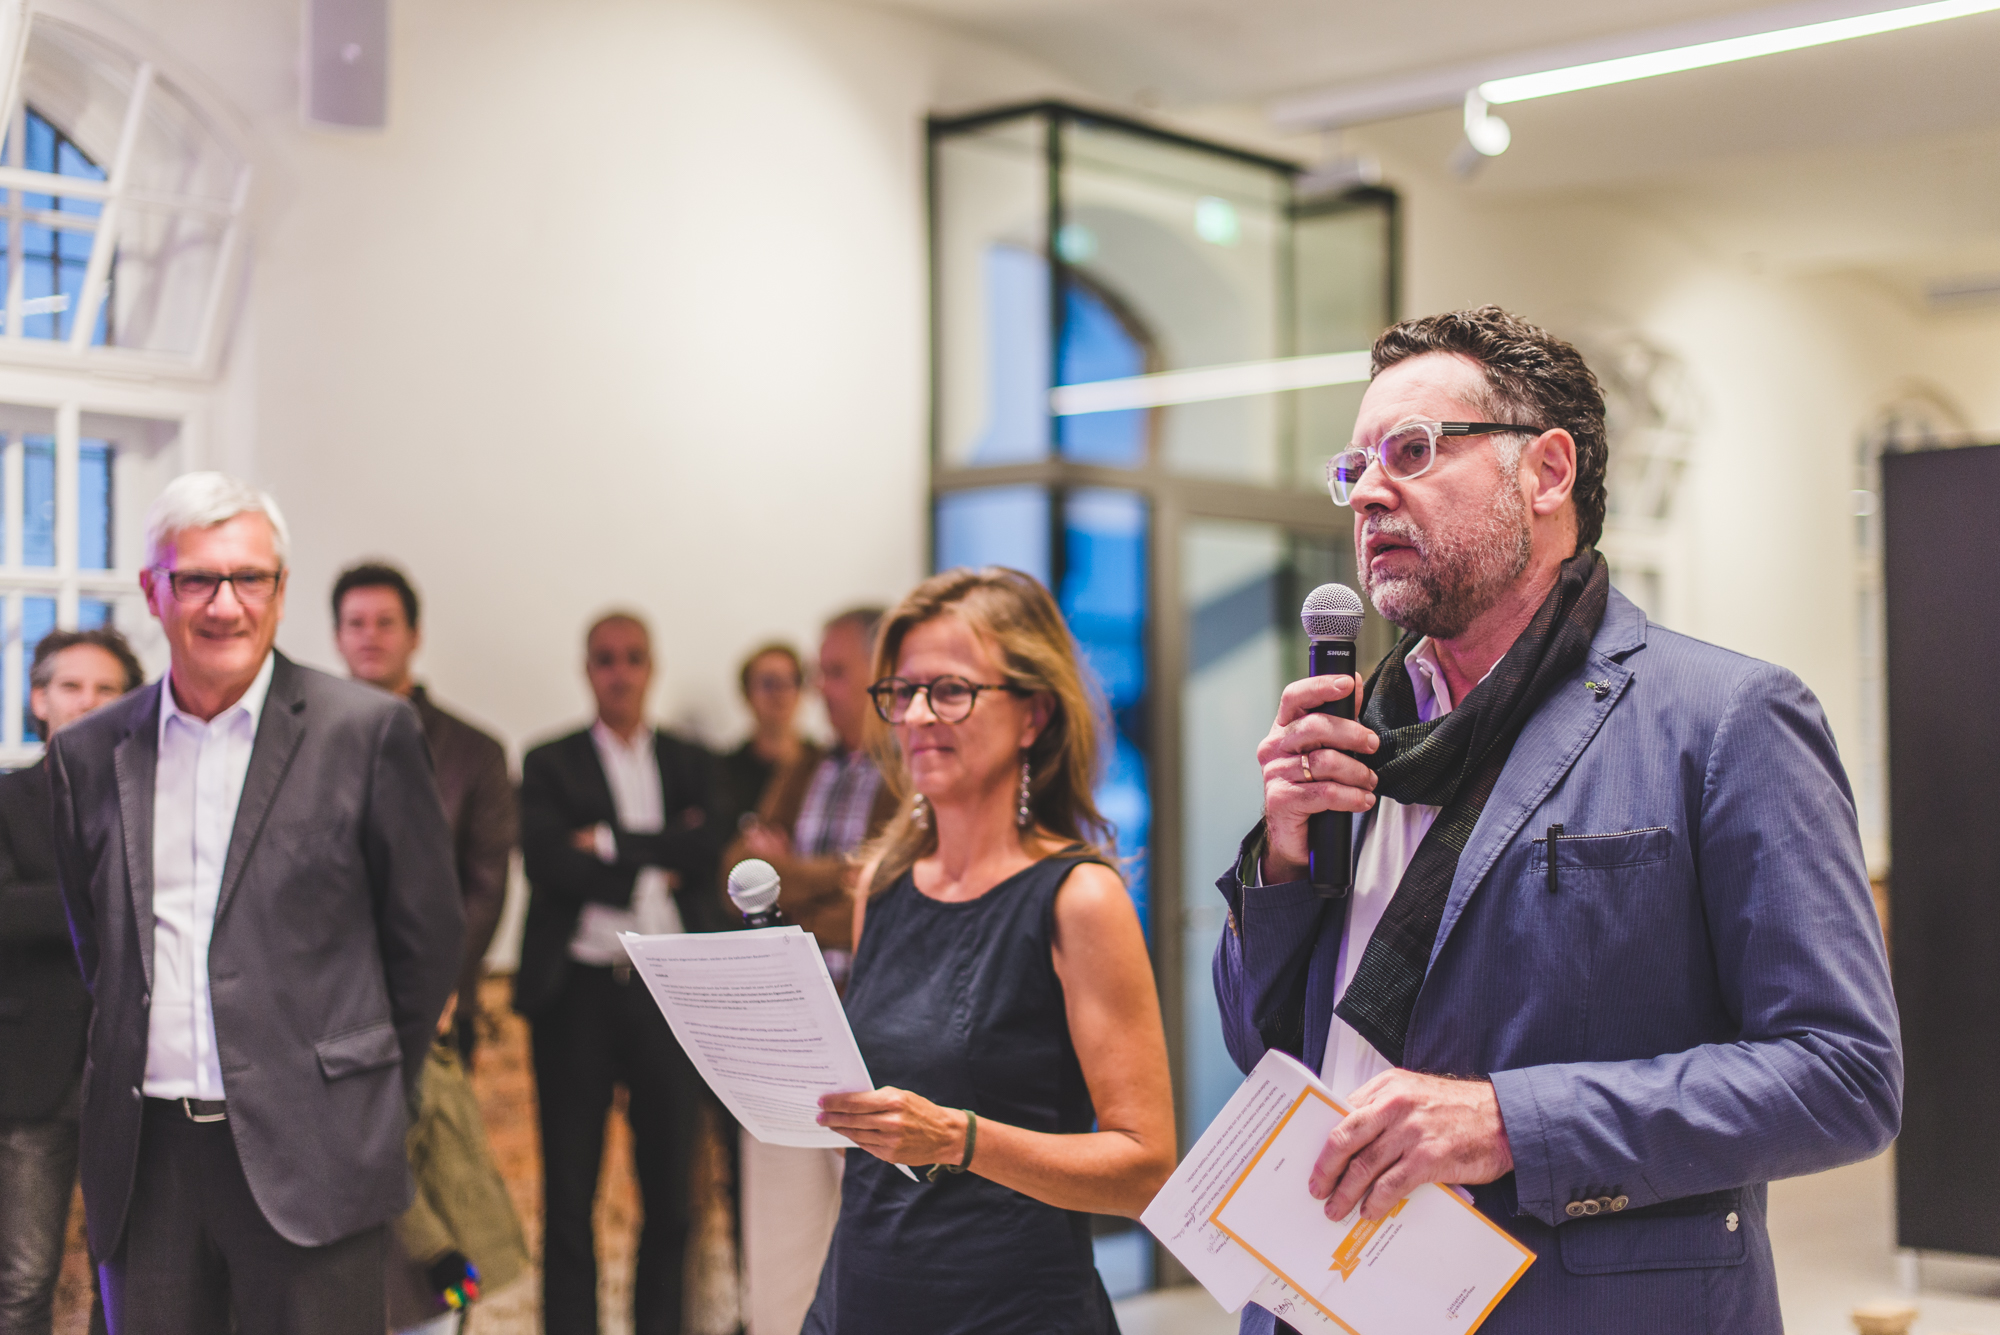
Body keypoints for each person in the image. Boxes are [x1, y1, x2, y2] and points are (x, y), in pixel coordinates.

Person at [1213, 307, 1901, 1335]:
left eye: (1412, 450)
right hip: (1322, 1296)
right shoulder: (1358, 738)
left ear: (1545, 472)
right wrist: (1281, 857)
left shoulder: (1724, 719)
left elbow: (1842, 1076)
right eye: (1353, 468)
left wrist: (1507, 1121)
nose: (1370, 493)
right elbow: (1259, 1044)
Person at [46, 472, 464, 1335]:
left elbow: (425, 943)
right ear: (153, 591)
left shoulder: (365, 733)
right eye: (198, 578)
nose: (225, 604)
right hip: (147, 1161)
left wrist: (361, 1093)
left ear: (279, 588)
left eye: (249, 577)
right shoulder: (90, 753)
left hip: (319, 1151)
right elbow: (100, 949)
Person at [804, 568, 1176, 1334]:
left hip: (1010, 1312)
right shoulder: (882, 885)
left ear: (1034, 713)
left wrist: (959, 1139)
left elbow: (1145, 1170)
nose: (916, 715)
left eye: (950, 690)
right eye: (902, 691)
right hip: (858, 1301)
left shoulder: (1078, 897)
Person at [515, 612, 726, 1335]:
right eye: (606, 658)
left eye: (633, 657)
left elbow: (708, 848)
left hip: (670, 993)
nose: (620, 672)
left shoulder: (691, 760)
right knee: (570, 1193)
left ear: (651, 667)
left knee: (670, 1195)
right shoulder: (550, 761)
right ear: (588, 670)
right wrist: (658, 857)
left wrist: (607, 842)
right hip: (578, 989)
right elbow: (550, 861)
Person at [726, 610, 895, 1335]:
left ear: (880, 676)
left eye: (834, 671)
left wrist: (788, 878)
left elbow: (887, 900)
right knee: (782, 1258)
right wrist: (834, 878)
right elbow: (738, 880)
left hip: (867, 1034)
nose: (818, 688)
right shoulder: (804, 767)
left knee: (873, 1253)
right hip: (785, 1029)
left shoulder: (911, 775)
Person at [0, 628, 143, 1335]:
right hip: (34, 1074)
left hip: (141, 1073)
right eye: (70, 686)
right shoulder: (6, 799)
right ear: (39, 699)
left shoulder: (156, 805)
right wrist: (108, 897)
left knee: (129, 1279)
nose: (87, 701)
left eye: (106, 688)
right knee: (25, 1278)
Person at [332, 561, 516, 1066]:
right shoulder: (303, 745)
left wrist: (435, 983)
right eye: (356, 623)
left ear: (415, 635)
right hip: (326, 1009)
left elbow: (485, 889)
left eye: (385, 622)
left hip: (438, 1010)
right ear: (337, 638)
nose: (370, 635)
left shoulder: (475, 751)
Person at [717, 642, 807, 829]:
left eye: (790, 681)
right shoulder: (722, 774)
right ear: (747, 694)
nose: (780, 694)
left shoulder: (824, 766)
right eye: (768, 683)